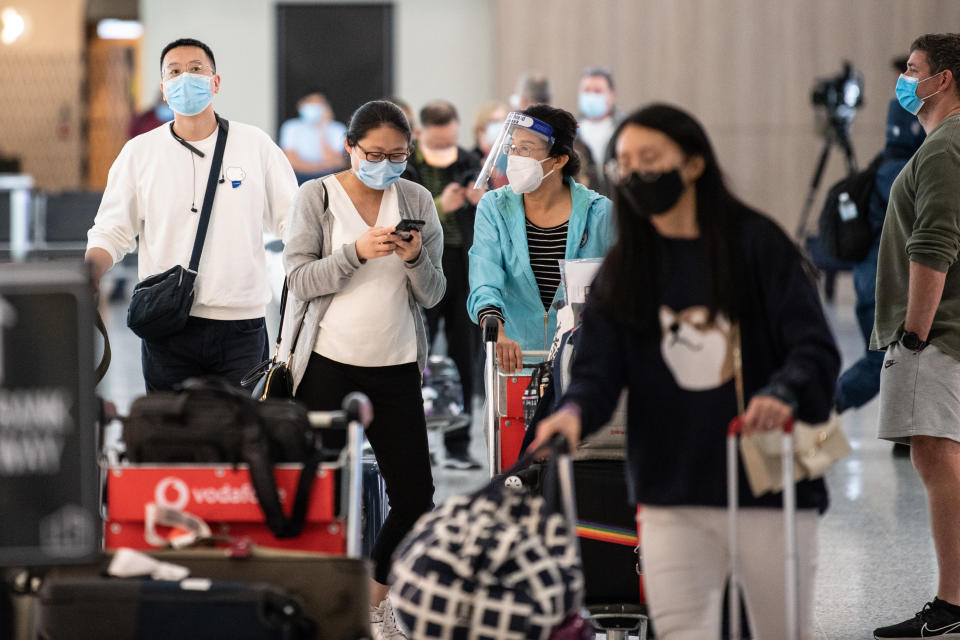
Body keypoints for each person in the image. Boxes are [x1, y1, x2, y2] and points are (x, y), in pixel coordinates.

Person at [530, 104, 840, 639]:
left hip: (766, 482)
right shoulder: (627, 267)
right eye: (624, 163)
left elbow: (814, 348)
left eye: (649, 159)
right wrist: (573, 412)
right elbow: (598, 369)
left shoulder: (756, 245)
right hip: (669, 486)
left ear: (694, 164)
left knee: (780, 631)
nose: (634, 174)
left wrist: (783, 393)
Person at [282, 99, 445, 640]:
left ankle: (373, 602)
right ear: (350, 147)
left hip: (395, 364)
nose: (386, 164)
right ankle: (305, 602)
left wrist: (414, 257)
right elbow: (299, 281)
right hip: (326, 363)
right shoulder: (318, 195)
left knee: (416, 498)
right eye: (374, 153)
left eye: (398, 155)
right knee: (313, 488)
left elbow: (435, 292)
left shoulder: (417, 197)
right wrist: (355, 251)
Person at [85, 38, 298, 391]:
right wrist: (92, 269)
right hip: (167, 324)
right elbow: (112, 229)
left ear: (215, 82)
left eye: (196, 69)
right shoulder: (140, 153)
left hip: (241, 325)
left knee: (242, 437)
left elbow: (292, 221)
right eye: (175, 72)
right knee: (172, 436)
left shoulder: (255, 145)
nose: (186, 77)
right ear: (164, 90)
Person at [871, 33, 960, 640]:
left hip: (939, 335)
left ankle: (951, 604)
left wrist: (912, 335)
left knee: (936, 457)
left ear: (944, 79)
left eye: (912, 70)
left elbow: (933, 245)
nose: (904, 81)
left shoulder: (944, 148)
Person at [468, 104, 613, 370]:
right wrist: (497, 332)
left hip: (581, 363)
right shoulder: (494, 208)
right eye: (512, 147)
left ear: (558, 160)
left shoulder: (599, 213)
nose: (514, 157)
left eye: (525, 149)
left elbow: (620, 284)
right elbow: (484, 276)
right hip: (514, 361)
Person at [402, 100, 484, 469]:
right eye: (435, 138)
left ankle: (458, 443)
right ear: (422, 133)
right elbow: (404, 212)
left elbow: (490, 214)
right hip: (423, 264)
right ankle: (415, 439)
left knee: (464, 353)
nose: (442, 143)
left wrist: (483, 201)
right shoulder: (409, 163)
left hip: (463, 264)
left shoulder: (469, 162)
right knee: (414, 352)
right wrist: (440, 205)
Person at [834, 93, 924, 417]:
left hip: (875, 281)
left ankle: (906, 438)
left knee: (904, 362)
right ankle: (821, 408)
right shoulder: (901, 173)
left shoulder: (886, 165)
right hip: (882, 284)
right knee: (881, 361)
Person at [511, 73, 599, 190]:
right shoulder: (571, 137)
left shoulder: (517, 139)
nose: (513, 154)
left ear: (522, 101)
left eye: (524, 149)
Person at [278, 90, 347, 180]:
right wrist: (321, 167)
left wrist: (323, 130)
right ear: (300, 105)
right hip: (298, 177)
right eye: (310, 102)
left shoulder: (338, 128)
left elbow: (337, 163)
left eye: (318, 104)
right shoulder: (291, 127)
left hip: (327, 178)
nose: (313, 107)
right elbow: (290, 162)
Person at [577, 66, 622, 193]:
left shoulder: (625, 129)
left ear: (611, 95)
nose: (591, 96)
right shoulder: (572, 131)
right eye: (586, 90)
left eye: (597, 91)